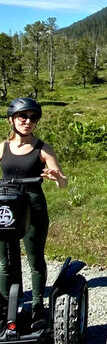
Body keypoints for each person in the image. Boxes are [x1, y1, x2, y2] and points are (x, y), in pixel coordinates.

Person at [0, 97, 68, 329]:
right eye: (22, 116)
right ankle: (6, 304)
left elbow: (63, 183)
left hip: (32, 207)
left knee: (35, 257)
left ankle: (38, 306)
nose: (27, 122)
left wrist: (57, 177)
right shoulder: (2, 147)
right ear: (12, 119)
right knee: (5, 261)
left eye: (33, 118)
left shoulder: (42, 149)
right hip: (7, 208)